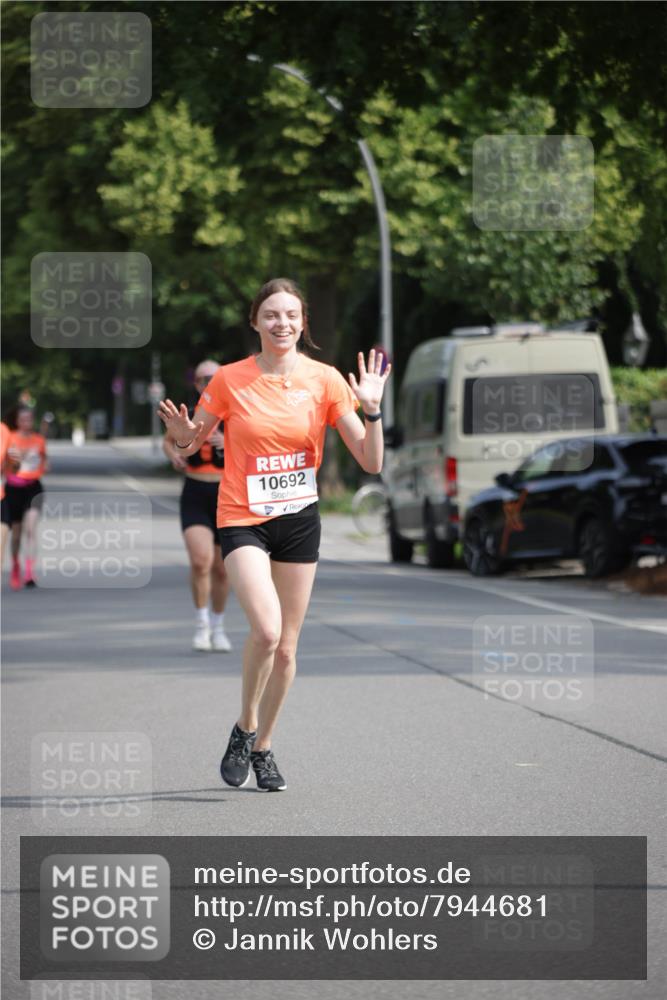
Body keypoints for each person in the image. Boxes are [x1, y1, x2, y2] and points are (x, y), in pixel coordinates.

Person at [157, 277, 391, 792]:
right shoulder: (229, 379)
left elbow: (371, 462)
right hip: (242, 516)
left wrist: (372, 410)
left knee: (286, 649)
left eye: (290, 315)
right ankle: (245, 726)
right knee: (265, 631)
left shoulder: (326, 380)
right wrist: (181, 437)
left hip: (299, 520)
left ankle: (262, 745)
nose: (281, 323)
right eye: (271, 315)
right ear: (255, 322)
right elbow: (192, 441)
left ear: (303, 322)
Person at [162, 360, 233, 652]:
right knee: (201, 562)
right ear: (196, 384)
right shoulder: (190, 414)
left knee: (222, 569)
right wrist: (174, 455)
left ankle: (219, 626)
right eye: (204, 379)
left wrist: (227, 442)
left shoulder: (234, 414)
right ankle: (202, 625)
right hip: (195, 490)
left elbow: (257, 447)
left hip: (227, 494)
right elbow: (169, 442)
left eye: (215, 377)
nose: (209, 383)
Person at [5, 406, 49, 589]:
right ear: (17, 421)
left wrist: (43, 465)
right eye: (23, 419)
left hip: (33, 488)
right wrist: (17, 460)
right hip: (14, 489)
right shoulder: (10, 439)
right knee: (16, 535)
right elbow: (5, 465)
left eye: (29, 419)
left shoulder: (39, 440)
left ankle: (30, 571)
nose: (26, 423)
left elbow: (45, 463)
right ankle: (16, 565)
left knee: (31, 529)